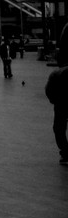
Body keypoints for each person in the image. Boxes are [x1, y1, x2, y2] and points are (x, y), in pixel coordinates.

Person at [46, 27, 68, 164]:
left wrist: (54, 100)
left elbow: (49, 91)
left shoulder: (57, 73)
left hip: (61, 104)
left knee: (59, 128)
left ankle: (65, 153)